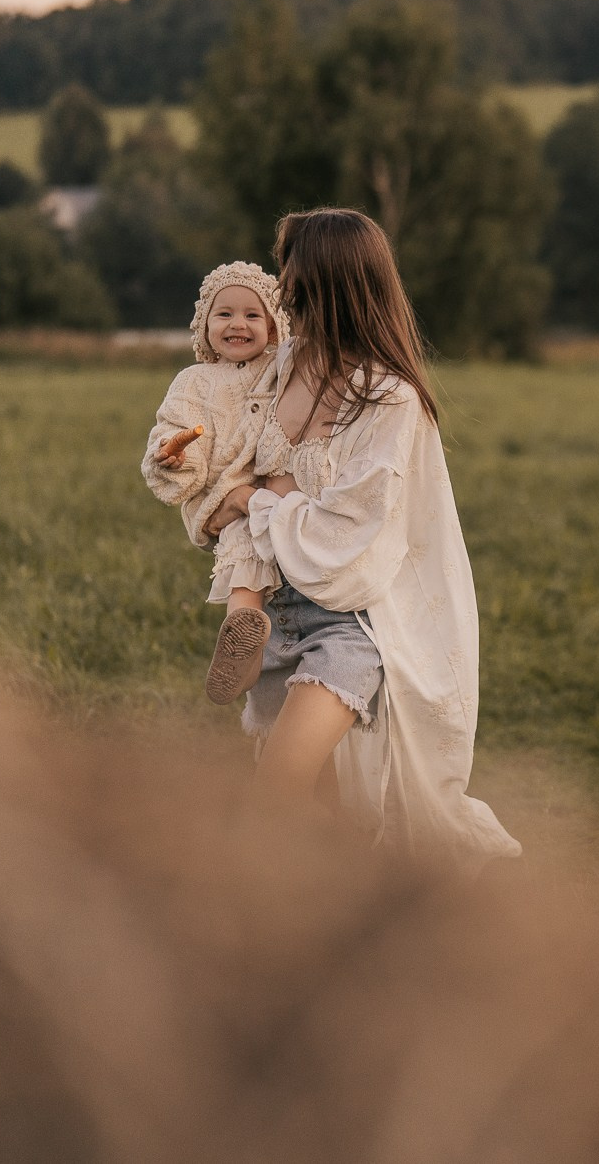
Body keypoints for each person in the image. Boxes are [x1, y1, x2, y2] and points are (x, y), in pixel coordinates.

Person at [203, 208, 520, 864]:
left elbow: (352, 536)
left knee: (273, 794)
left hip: (351, 626)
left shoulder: (389, 400)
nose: (284, 294)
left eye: (296, 281)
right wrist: (219, 496)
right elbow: (217, 459)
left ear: (332, 287)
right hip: (274, 614)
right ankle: (340, 931)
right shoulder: (276, 367)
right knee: (319, 818)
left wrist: (254, 498)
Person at [141, 262, 287, 706]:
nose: (237, 324)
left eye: (252, 315)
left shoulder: (281, 370)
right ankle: (242, 641)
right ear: (204, 325)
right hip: (220, 494)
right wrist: (173, 454)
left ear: (275, 326)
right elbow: (175, 427)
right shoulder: (194, 381)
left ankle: (252, 645)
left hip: (271, 490)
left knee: (261, 524)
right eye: (223, 314)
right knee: (244, 544)